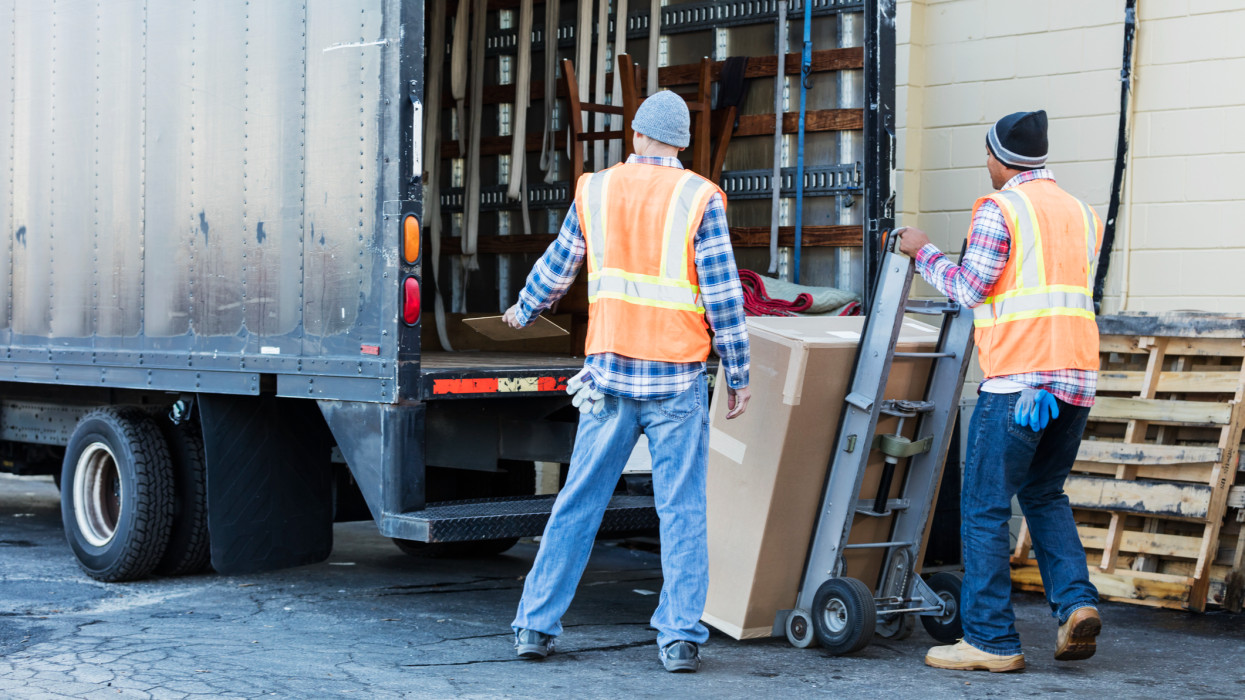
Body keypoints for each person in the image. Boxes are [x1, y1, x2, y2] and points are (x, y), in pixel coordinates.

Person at [502, 90, 752, 673]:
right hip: (677, 383)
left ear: (636, 134)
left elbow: (560, 264)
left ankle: (536, 626)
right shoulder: (699, 197)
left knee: (578, 503)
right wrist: (738, 372)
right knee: (682, 509)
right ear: (683, 144)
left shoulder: (597, 188)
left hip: (609, 378)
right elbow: (722, 295)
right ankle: (679, 637)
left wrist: (522, 308)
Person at [896, 110, 1103, 673]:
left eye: (985, 155)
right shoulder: (1081, 214)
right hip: (1076, 382)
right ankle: (1077, 605)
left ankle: (990, 640)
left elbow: (969, 288)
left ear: (1000, 158)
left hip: (1018, 383)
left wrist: (922, 252)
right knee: (1044, 496)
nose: (983, 164)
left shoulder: (1001, 209)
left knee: (985, 508)